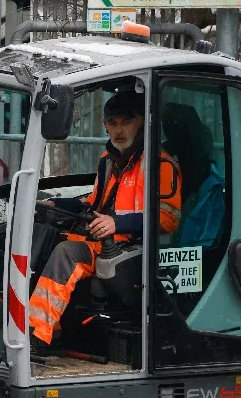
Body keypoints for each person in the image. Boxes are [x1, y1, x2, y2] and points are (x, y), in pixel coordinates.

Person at [29, 91, 182, 347]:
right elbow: (93, 203)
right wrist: (55, 204)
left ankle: (37, 335)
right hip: (103, 240)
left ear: (141, 122)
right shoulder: (108, 160)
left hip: (134, 250)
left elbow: (168, 219)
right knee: (45, 239)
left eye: (126, 122)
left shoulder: (161, 164)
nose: (119, 130)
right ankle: (48, 330)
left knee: (67, 252)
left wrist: (117, 224)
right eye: (112, 123)